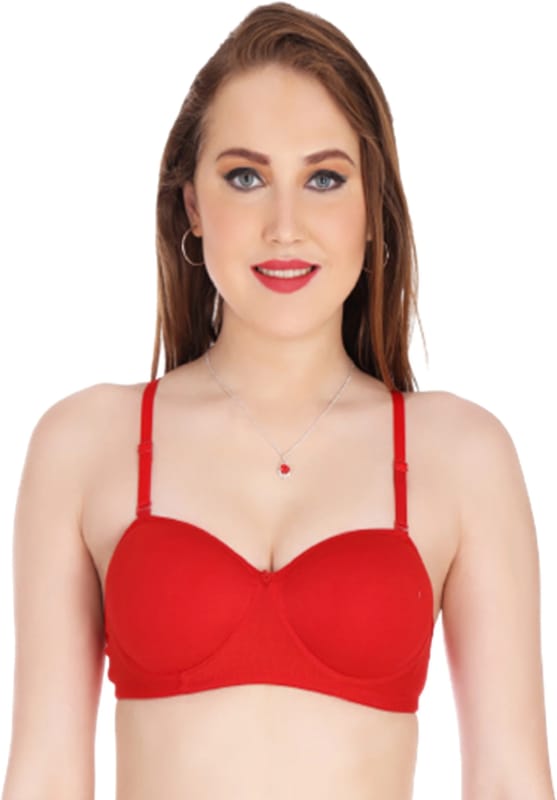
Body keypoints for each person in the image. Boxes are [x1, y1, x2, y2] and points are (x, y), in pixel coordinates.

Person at [2, 3, 555, 799]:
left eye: (324, 178)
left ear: (373, 208)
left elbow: (509, 781)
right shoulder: (85, 443)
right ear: (192, 205)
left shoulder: (461, 455)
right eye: (245, 177)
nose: (285, 226)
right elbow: (45, 776)